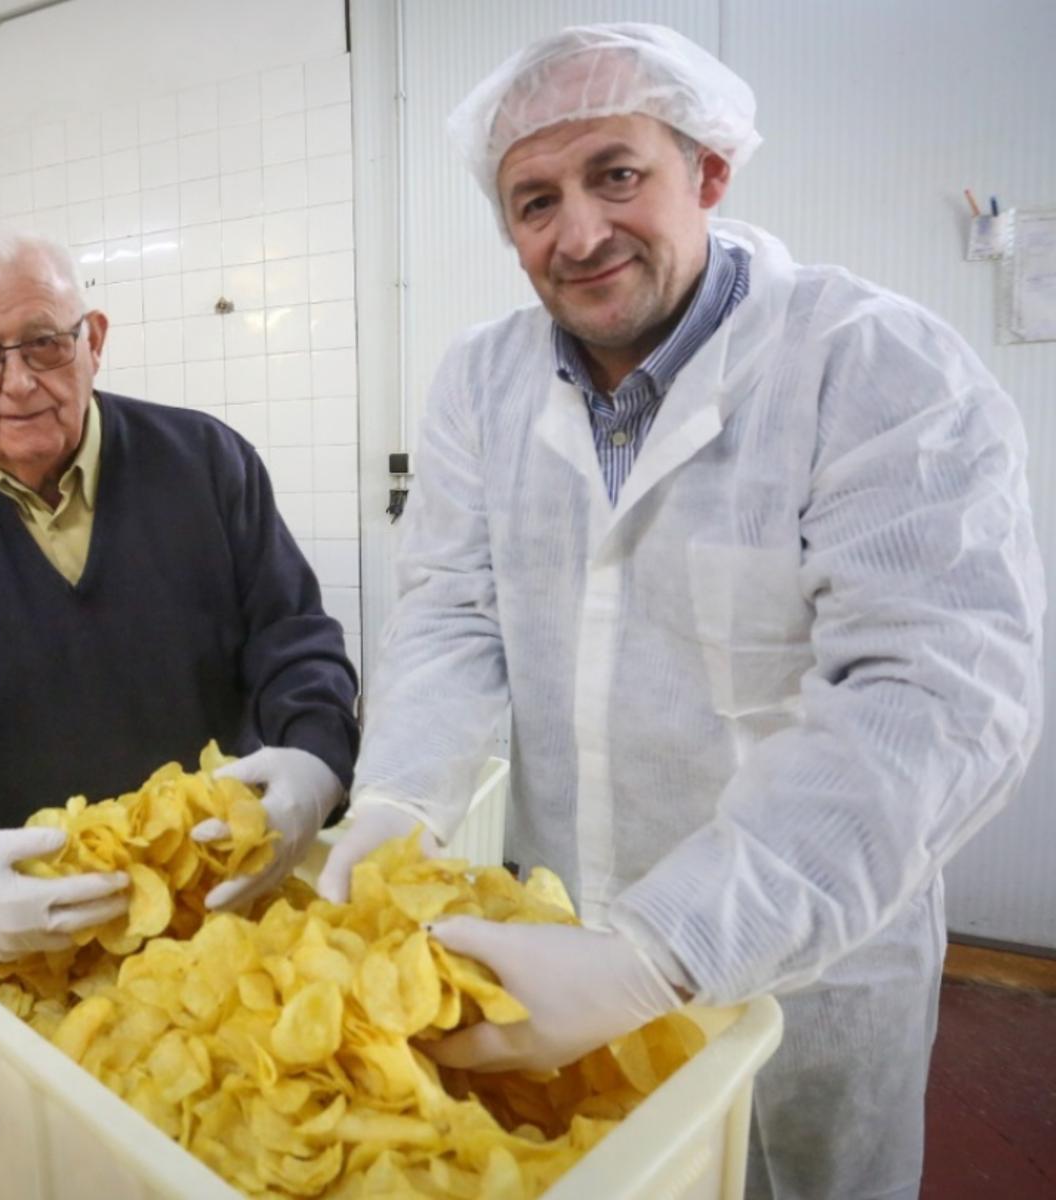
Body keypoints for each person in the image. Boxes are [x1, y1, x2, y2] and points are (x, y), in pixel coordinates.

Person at [317, 23, 1044, 1200]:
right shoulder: (482, 385)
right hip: (556, 941)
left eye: (617, 173)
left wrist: (665, 950)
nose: (580, 230)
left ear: (707, 171)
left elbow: (933, 702)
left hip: (816, 966)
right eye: (535, 199)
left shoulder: (875, 368)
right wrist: (400, 798)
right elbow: (454, 612)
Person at [0, 227, 359, 962]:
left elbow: (293, 639)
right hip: (28, 918)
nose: (18, 384)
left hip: (221, 893)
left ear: (93, 340)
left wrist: (318, 758)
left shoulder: (208, 464)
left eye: (44, 343)